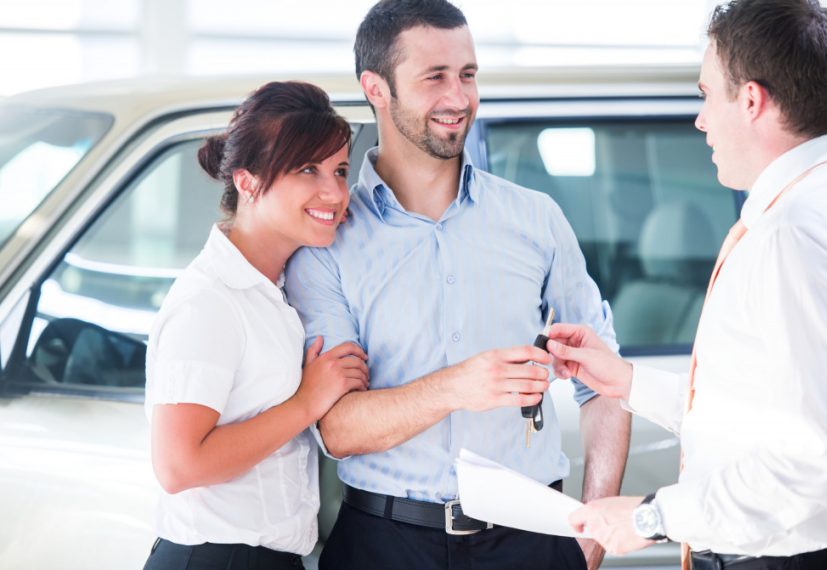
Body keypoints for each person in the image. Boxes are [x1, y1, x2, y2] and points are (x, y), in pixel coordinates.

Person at [284, 1, 630, 569]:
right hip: (383, 544)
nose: (458, 97)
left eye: (467, 75)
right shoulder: (326, 240)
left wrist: (590, 537)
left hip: (533, 541)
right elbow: (337, 428)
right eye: (434, 77)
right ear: (377, 88)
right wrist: (456, 386)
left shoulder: (535, 219)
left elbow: (606, 382)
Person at [545, 1, 827, 568]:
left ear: (750, 100)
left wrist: (652, 517)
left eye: (705, 94)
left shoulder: (793, 235)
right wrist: (626, 382)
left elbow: (816, 455)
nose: (700, 119)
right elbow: (761, 414)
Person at [142, 81, 370, 570]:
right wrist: (308, 402)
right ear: (247, 182)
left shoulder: (281, 289)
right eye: (308, 169)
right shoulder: (210, 300)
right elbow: (179, 466)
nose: (334, 192)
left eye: (340, 170)